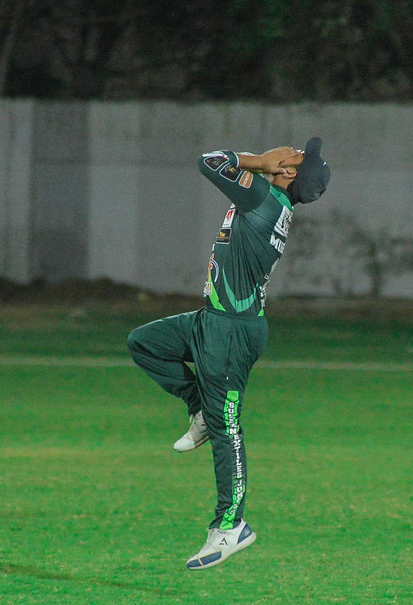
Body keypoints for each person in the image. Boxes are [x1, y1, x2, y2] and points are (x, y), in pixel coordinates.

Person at [127, 137, 330, 570]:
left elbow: (210, 161)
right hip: (213, 319)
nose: (290, 148)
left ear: (288, 172)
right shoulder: (269, 199)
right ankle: (199, 406)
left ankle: (230, 525)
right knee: (144, 343)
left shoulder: (263, 197)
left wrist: (258, 161)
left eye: (296, 154)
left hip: (232, 331)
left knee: (228, 429)